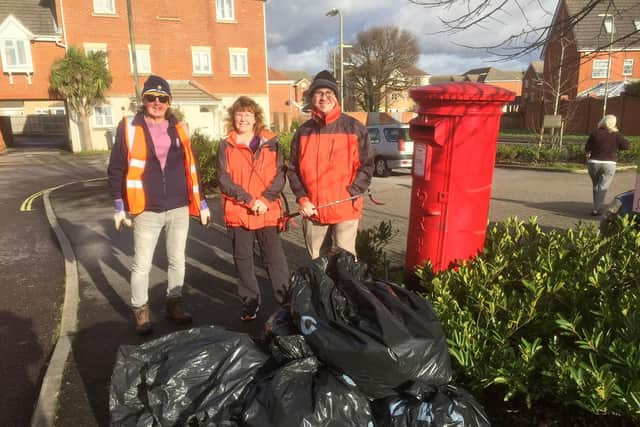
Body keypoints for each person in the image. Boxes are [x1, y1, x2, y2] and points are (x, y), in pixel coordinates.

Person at [107, 75, 210, 334]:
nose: (157, 102)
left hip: (178, 206)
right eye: (151, 97)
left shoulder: (179, 127)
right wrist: (119, 204)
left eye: (162, 98)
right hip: (146, 208)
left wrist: (203, 202)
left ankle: (174, 303)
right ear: (143, 100)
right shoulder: (129, 127)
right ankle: (141, 310)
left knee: (177, 259)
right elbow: (116, 168)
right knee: (142, 263)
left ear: (169, 102)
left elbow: (191, 167)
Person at [216, 96, 289, 321]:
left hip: (267, 210)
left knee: (274, 259)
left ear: (256, 117)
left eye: (248, 114)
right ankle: (250, 301)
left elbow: (280, 175)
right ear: (233, 117)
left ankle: (286, 301)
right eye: (239, 114)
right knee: (243, 260)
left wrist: (265, 200)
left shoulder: (271, 143)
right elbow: (223, 178)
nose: (243, 118)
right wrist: (248, 200)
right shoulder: (225, 145)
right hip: (240, 211)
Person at [287, 70, 374, 259]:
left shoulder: (354, 128)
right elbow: (293, 169)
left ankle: (345, 290)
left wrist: (353, 191)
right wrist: (302, 199)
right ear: (312, 98)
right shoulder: (303, 132)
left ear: (335, 97)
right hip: (313, 212)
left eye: (329, 93)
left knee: (346, 264)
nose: (323, 97)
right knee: (319, 263)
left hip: (345, 210)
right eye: (319, 93)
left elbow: (367, 165)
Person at [585, 114, 630, 216]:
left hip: (594, 163)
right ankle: (597, 209)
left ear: (603, 121)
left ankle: (596, 206)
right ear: (613, 123)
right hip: (609, 164)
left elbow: (587, 148)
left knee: (596, 186)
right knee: (602, 186)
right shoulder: (617, 134)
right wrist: (617, 147)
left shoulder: (595, 133)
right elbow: (627, 146)